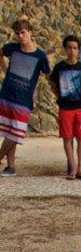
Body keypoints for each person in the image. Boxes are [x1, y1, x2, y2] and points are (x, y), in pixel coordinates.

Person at [0, 18, 50, 176]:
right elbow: (1, 53)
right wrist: (4, 69)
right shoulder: (12, 48)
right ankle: (11, 167)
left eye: (23, 32)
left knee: (16, 133)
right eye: (17, 33)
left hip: (24, 99)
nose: (20, 36)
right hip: (7, 95)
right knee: (9, 131)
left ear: (30, 32)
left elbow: (48, 74)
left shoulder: (40, 56)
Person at [49, 35, 81, 180]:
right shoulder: (59, 67)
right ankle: (72, 168)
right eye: (69, 48)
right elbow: (52, 83)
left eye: (75, 48)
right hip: (65, 107)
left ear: (78, 50)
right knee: (67, 138)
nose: (72, 51)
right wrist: (59, 95)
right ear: (65, 49)